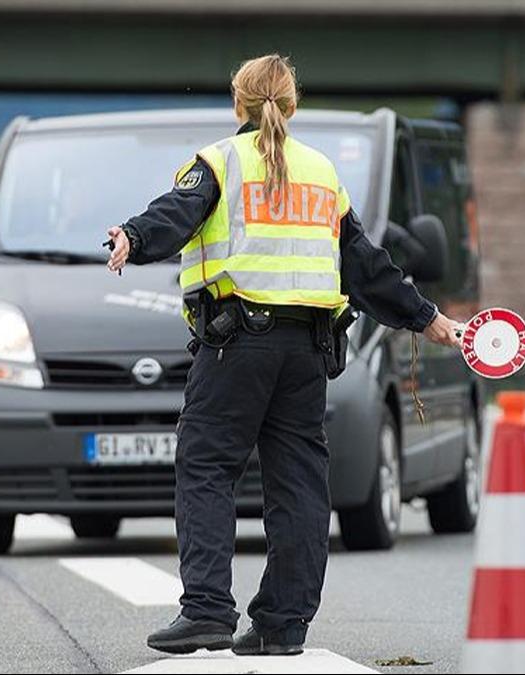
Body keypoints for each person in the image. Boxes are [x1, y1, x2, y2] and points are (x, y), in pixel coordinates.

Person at [105, 55, 462, 656]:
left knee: (207, 467)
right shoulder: (322, 173)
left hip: (237, 344)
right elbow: (366, 265)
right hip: (308, 351)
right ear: (291, 106)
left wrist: (131, 239)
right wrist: (426, 317)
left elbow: (175, 214)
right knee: (298, 484)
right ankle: (282, 623)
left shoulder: (220, 161)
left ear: (237, 104)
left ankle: (208, 611)